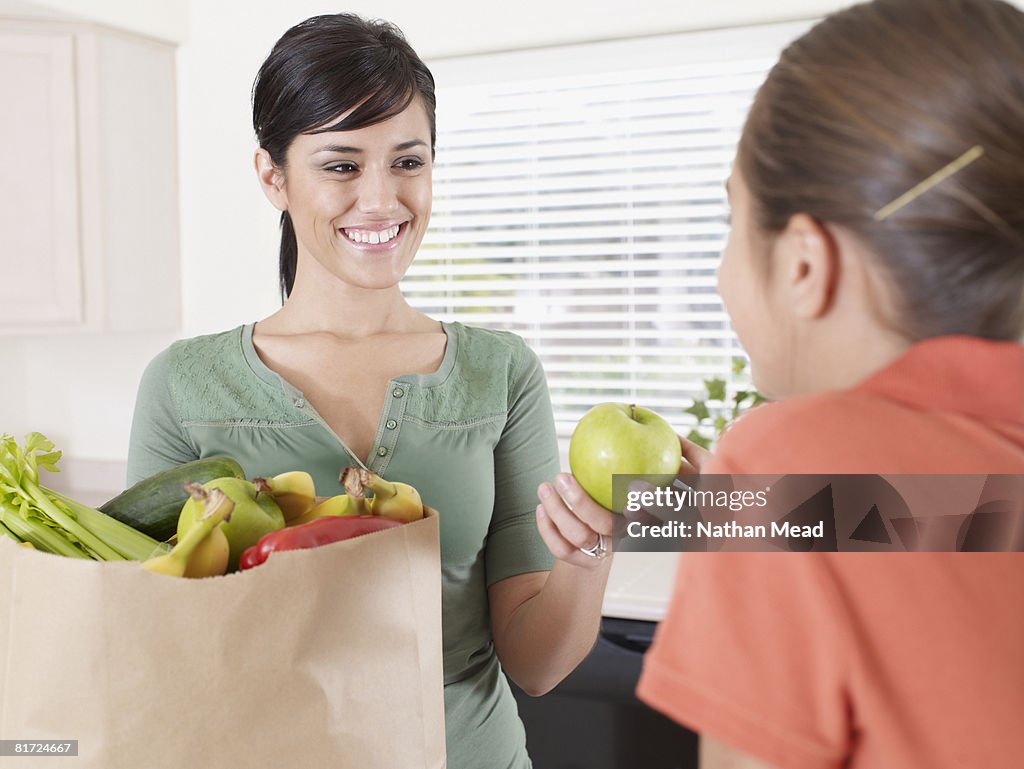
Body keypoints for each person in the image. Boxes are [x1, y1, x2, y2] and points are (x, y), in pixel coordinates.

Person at [540, 0, 1024, 767]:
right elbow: (972, 515)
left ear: (803, 264)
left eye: (731, 219)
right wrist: (712, 513)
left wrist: (753, 493)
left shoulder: (794, 449)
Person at [126, 14, 613, 769]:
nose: (383, 199)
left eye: (407, 161)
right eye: (342, 165)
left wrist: (586, 557)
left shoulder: (500, 372)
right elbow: (159, 645)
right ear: (272, 177)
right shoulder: (183, 384)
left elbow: (538, 665)